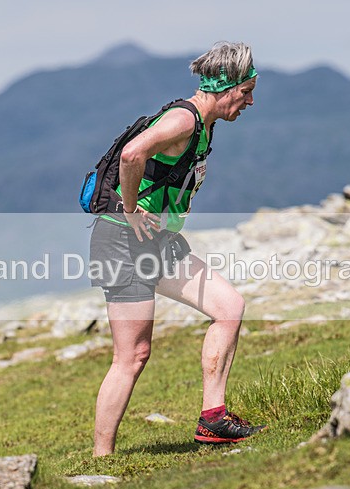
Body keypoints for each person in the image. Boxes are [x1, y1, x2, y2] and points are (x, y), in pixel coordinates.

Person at [89, 41, 266, 457]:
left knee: (229, 307)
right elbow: (134, 154)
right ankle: (102, 457)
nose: (251, 101)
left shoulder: (203, 124)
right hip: (121, 241)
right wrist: (131, 209)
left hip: (158, 242)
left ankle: (213, 420)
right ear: (225, 87)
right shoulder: (184, 121)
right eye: (246, 92)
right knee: (133, 355)